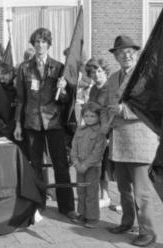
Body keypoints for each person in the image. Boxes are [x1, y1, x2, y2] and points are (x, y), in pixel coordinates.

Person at [14, 27, 76, 219]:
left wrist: (63, 90)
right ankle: (38, 203)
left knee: (60, 164)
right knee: (36, 165)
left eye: (43, 42)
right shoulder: (24, 68)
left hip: (53, 122)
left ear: (49, 45)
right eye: (37, 42)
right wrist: (18, 124)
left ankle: (67, 206)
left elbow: (65, 100)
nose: (40, 45)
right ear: (33, 44)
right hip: (32, 122)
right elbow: (20, 99)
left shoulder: (59, 67)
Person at [106, 35, 159, 247]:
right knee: (123, 189)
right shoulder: (113, 78)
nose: (126, 56)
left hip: (140, 141)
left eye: (130, 52)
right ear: (116, 57)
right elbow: (107, 104)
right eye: (121, 53)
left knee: (141, 192)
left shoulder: (145, 77)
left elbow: (151, 106)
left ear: (136, 55)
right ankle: (127, 222)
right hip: (119, 141)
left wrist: (123, 110)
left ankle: (147, 231)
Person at [83, 57, 115, 208]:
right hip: (95, 131)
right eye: (93, 72)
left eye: (100, 71)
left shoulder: (110, 88)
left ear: (105, 72)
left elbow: (111, 112)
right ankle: (104, 195)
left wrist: (108, 134)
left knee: (108, 166)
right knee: (99, 164)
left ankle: (107, 196)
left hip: (107, 131)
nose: (96, 75)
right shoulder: (94, 88)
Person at [70, 101, 107, 228]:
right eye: (86, 116)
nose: (89, 118)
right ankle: (82, 214)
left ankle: (92, 217)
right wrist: (76, 162)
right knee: (81, 191)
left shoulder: (100, 132)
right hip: (79, 166)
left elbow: (97, 152)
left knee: (91, 192)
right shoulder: (79, 130)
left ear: (98, 117)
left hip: (92, 168)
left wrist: (85, 165)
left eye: (92, 116)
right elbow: (73, 147)